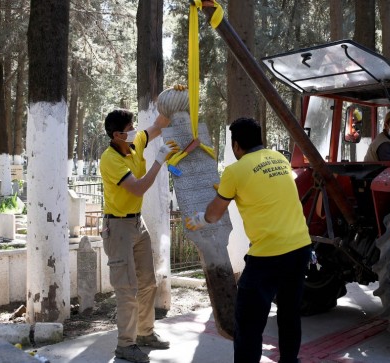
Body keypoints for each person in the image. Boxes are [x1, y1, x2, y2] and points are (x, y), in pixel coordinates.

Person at [185, 117, 312, 363]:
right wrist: (229, 188)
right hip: (300, 247)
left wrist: (202, 218)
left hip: (268, 255)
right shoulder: (280, 160)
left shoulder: (235, 171)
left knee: (248, 322)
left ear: (236, 146)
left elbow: (214, 213)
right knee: (289, 313)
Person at [100, 108, 179, 363]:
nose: (135, 130)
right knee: (127, 289)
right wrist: (159, 160)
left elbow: (158, 125)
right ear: (117, 135)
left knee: (148, 282)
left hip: (137, 224)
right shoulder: (110, 159)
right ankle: (125, 344)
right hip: (118, 228)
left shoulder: (134, 143)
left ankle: (145, 333)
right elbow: (137, 188)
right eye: (130, 127)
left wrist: (173, 99)